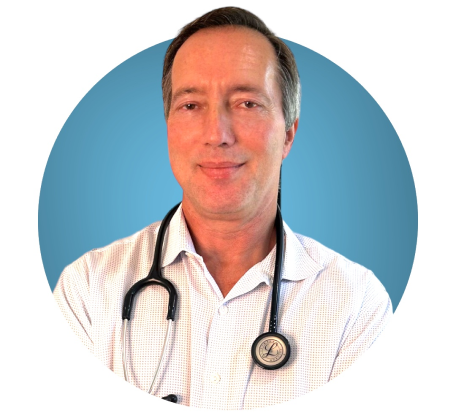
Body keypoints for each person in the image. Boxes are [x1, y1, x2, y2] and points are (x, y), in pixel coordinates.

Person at [53, 6, 392, 410]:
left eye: (247, 103)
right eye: (191, 106)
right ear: (168, 128)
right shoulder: (87, 290)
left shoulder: (356, 304)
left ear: (288, 134)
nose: (217, 134)